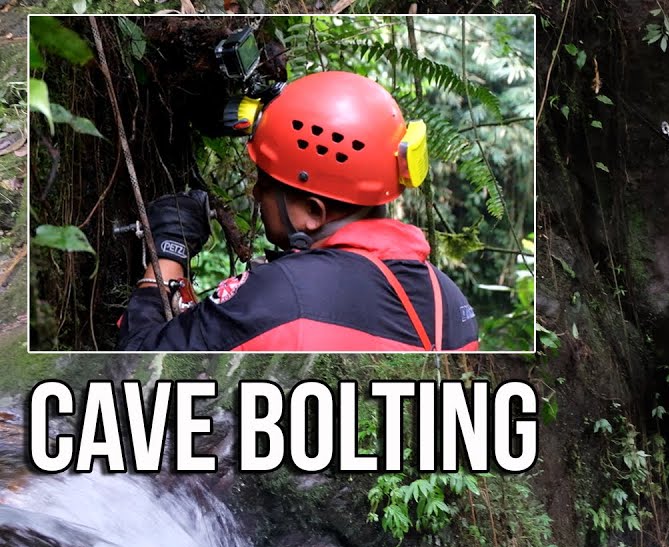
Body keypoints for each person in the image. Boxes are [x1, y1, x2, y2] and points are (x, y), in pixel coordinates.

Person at [118, 71, 478, 351]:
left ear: (313, 211)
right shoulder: (449, 299)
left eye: (266, 182)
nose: (256, 192)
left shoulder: (281, 296)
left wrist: (166, 253)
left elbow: (140, 368)